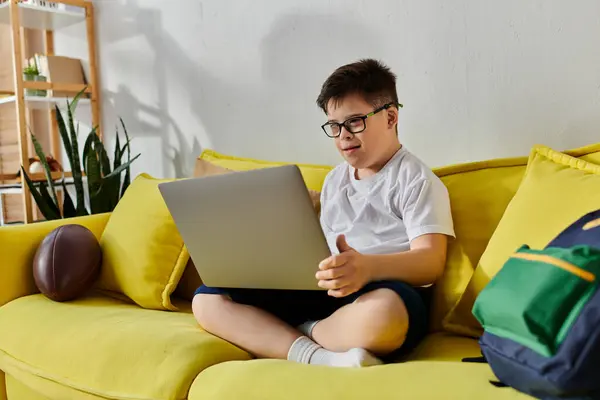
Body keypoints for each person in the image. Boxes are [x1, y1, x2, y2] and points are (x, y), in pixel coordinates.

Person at [192, 58, 455, 367]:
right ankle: (318, 355)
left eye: (355, 122)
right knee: (207, 300)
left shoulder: (416, 179)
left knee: (382, 315)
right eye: (334, 126)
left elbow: (431, 262)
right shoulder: (335, 180)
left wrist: (367, 268)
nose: (343, 135)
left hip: (385, 288)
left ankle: (298, 332)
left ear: (390, 117)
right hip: (325, 289)